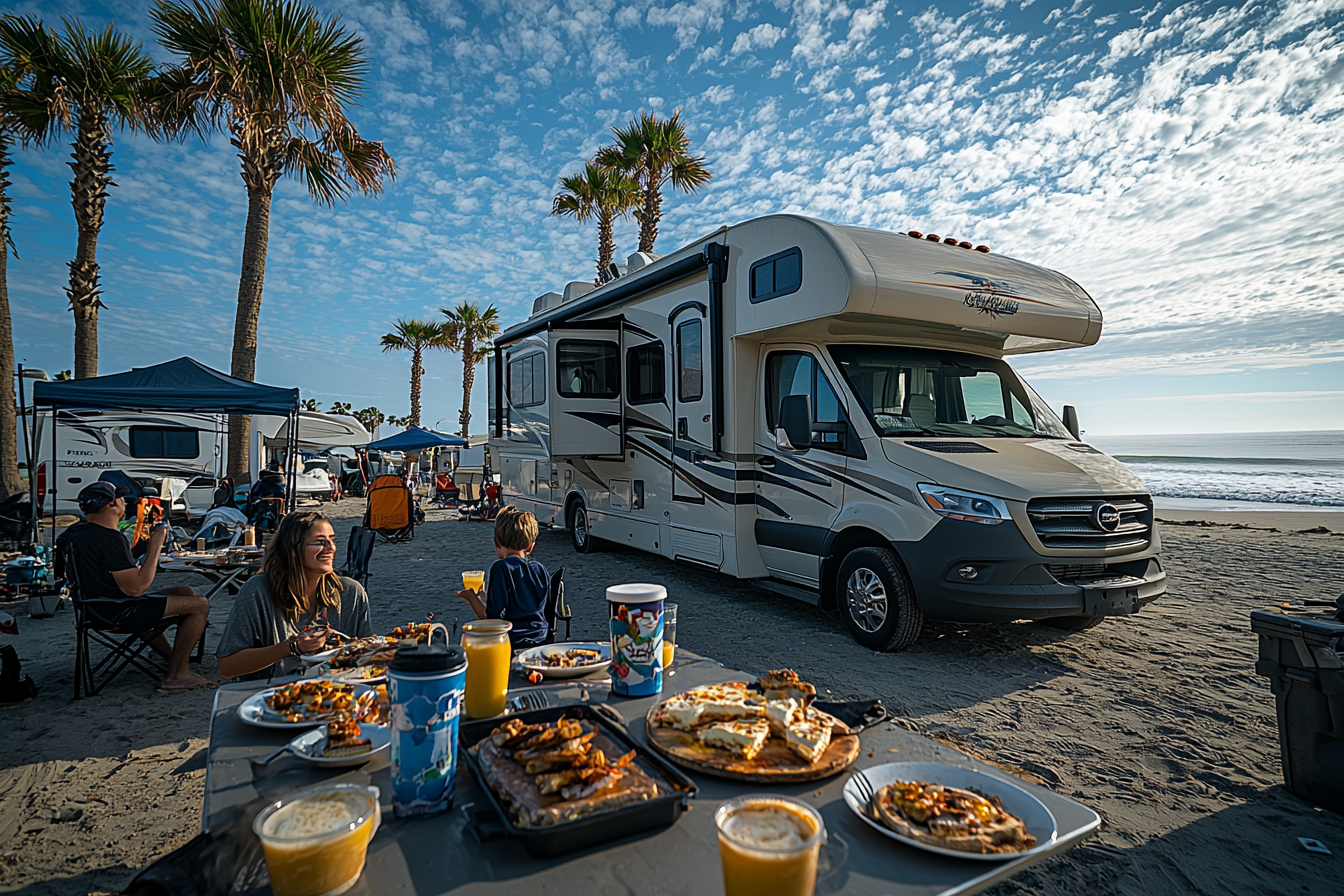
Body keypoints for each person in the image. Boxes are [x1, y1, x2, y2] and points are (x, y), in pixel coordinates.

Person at [55, 482, 213, 693]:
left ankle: (169, 656)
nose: (124, 502)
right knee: (200, 605)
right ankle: (177, 675)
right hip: (118, 612)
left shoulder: (74, 533)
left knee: (183, 592)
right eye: (120, 498)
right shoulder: (109, 538)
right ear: (111, 504)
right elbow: (136, 588)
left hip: (91, 608)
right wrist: (156, 544)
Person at [217, 511, 374, 681]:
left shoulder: (350, 593)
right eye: (320, 542)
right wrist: (291, 647)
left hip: (336, 693)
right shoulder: (259, 591)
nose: (331, 548)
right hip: (272, 695)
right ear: (292, 549)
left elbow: (367, 657)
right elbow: (227, 666)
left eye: (332, 540)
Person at [456, 507, 549, 650]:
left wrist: (470, 597)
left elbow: (491, 617)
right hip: (541, 637)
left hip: (512, 640)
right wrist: (485, 598)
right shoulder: (539, 569)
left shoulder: (500, 568)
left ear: (496, 543)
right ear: (530, 547)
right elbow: (527, 603)